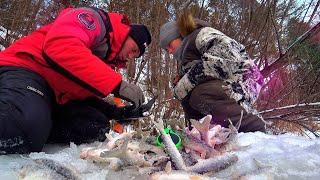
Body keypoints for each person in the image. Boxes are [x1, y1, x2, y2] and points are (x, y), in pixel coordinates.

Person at [0, 7, 151, 154]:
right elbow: (60, 46)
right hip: (25, 68)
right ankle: (32, 125)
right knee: (23, 124)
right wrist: (117, 85)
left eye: (136, 56)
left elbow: (82, 95)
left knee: (94, 125)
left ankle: (39, 126)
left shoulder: (105, 62)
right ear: (127, 34)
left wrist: (117, 112)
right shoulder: (93, 20)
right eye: (134, 49)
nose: (131, 56)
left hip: (53, 95)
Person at [159, 12, 266, 132]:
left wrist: (185, 82)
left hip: (246, 78)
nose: (168, 51)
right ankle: (201, 131)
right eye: (165, 49)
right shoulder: (186, 59)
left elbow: (228, 58)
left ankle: (255, 125)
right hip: (226, 83)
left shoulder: (201, 35)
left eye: (169, 44)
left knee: (199, 94)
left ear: (179, 36)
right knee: (189, 95)